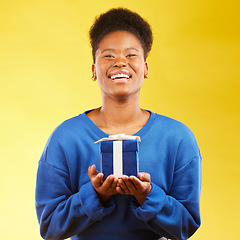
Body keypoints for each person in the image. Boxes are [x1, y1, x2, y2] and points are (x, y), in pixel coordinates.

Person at [35, 8, 202, 240]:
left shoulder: (177, 138)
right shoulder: (65, 137)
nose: (120, 63)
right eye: (109, 56)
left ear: (145, 69)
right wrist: (95, 196)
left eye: (131, 55)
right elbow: (50, 227)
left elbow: (186, 226)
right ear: (94, 70)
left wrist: (148, 196)